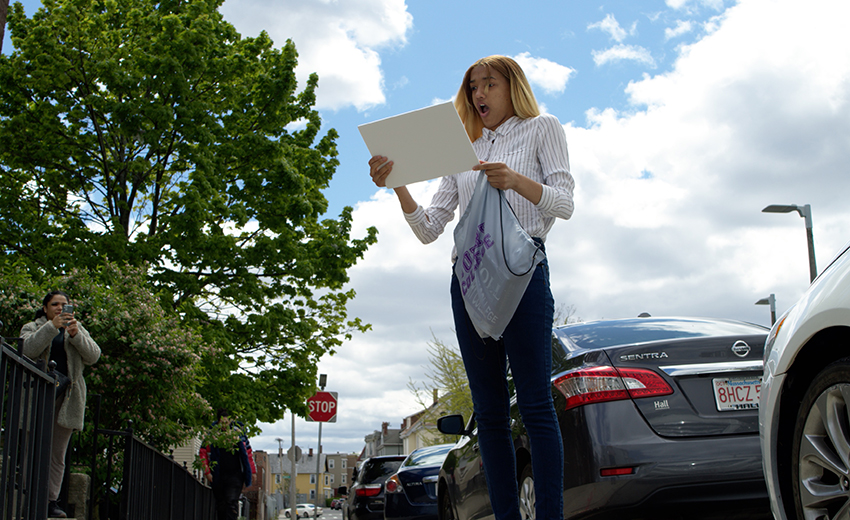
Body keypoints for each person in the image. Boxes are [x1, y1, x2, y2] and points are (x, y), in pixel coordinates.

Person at [368, 55, 574, 520]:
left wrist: (515, 180)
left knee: (537, 405)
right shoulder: (462, 147)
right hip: (470, 287)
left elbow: (564, 202)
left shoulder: (543, 128)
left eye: (489, 84)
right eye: (473, 86)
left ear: (512, 86)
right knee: (491, 417)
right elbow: (429, 228)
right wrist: (398, 185)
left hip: (523, 278)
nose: (480, 93)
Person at [21, 290, 101, 519]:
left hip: (66, 398)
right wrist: (51, 327)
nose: (59, 308)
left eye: (63, 304)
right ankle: (29, 497)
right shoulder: (33, 326)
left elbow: (94, 356)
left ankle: (49, 501)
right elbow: (27, 350)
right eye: (54, 304)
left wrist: (76, 335)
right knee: (32, 448)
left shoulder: (75, 328)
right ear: (45, 308)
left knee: (57, 453)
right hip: (37, 395)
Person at [199, 409, 256, 520]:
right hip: (218, 475)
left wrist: (252, 471)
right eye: (222, 422)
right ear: (218, 422)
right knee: (221, 505)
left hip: (235, 475)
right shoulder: (211, 435)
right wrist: (207, 472)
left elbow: (248, 453)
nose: (224, 425)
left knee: (231, 502)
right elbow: (203, 453)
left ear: (230, 421)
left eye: (227, 422)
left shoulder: (239, 434)